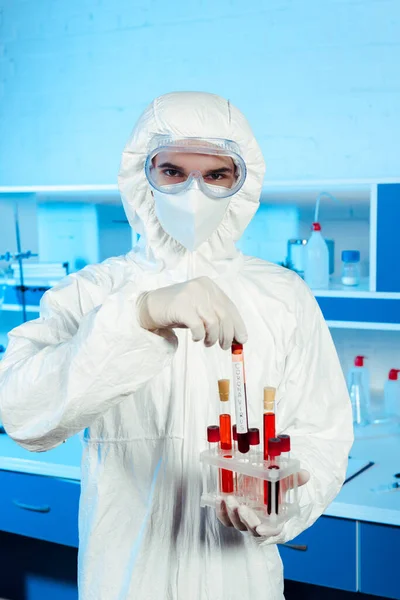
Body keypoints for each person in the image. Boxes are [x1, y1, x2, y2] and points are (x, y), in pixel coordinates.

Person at [0, 91, 353, 599]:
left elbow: (321, 435)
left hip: (241, 581)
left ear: (242, 180)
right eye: (172, 172)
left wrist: (282, 504)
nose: (193, 193)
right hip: (125, 580)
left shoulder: (283, 296)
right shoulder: (94, 292)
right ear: (141, 176)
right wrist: (139, 316)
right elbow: (21, 414)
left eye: (215, 176)